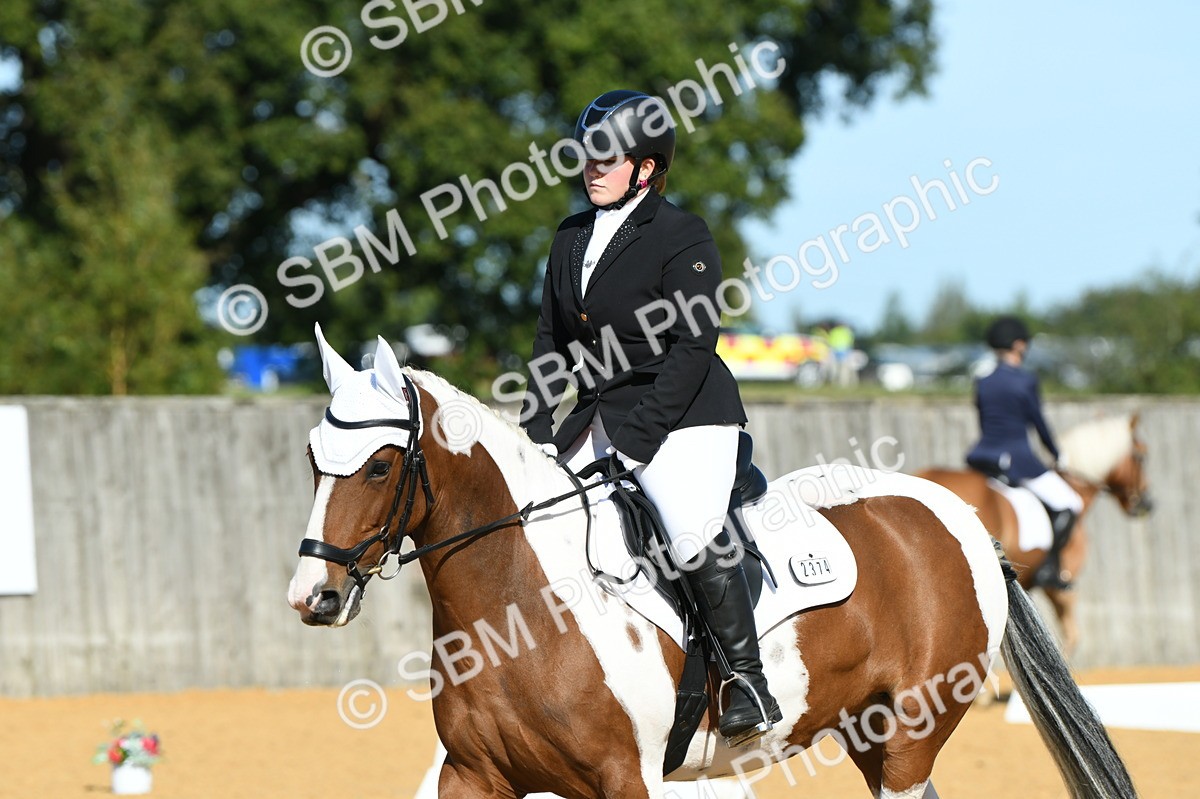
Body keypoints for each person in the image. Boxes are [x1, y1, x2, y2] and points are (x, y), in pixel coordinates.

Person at [521, 89, 782, 744]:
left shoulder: (681, 234)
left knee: (688, 533)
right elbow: (550, 341)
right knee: (533, 525)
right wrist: (531, 428)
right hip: (598, 416)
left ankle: (746, 677)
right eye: (587, 155)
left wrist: (637, 439)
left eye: (606, 157)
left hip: (686, 414)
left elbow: (695, 347)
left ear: (645, 167)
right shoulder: (569, 236)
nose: (591, 167)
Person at [966, 316, 1083, 589]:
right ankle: (1048, 567)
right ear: (1019, 345)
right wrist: (1057, 454)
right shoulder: (1025, 380)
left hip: (982, 456)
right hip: (1018, 460)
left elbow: (985, 423)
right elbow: (1038, 423)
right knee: (1071, 502)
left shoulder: (982, 381)